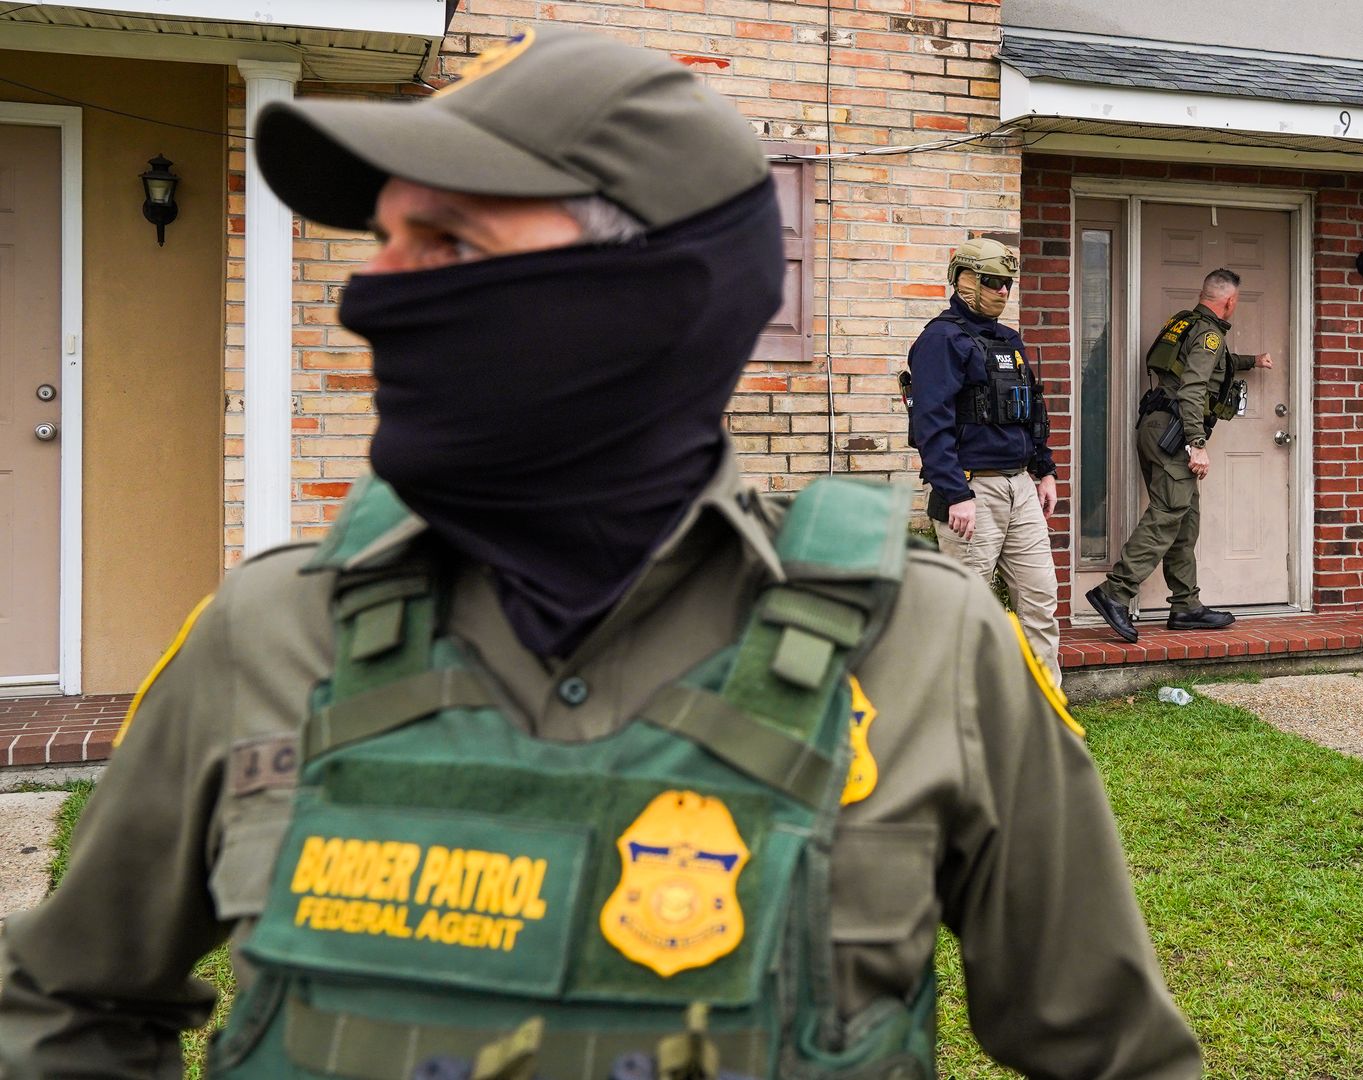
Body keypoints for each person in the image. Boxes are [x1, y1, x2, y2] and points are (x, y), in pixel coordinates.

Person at [0, 26, 1202, 1080]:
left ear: (656, 292)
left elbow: (1113, 1054)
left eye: (450, 244)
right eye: (384, 241)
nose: (369, 297)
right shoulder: (269, 631)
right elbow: (68, 1007)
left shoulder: (926, 646)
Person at [1085, 269, 1272, 644]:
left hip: (1155, 425)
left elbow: (1209, 363)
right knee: (1168, 515)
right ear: (1230, 302)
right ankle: (1115, 591)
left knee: (1185, 519)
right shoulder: (1209, 334)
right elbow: (1192, 388)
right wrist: (1197, 443)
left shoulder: (1184, 324)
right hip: (1175, 432)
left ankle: (1186, 606)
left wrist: (1253, 360)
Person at [904, 238, 1062, 683]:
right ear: (965, 279)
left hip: (1020, 487)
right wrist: (956, 493)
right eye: (994, 282)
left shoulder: (1008, 340)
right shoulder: (941, 340)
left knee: (1040, 603)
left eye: (1009, 283)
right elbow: (931, 425)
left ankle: (1046, 712)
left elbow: (1030, 409)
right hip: (973, 492)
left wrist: (1044, 469)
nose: (1004, 292)